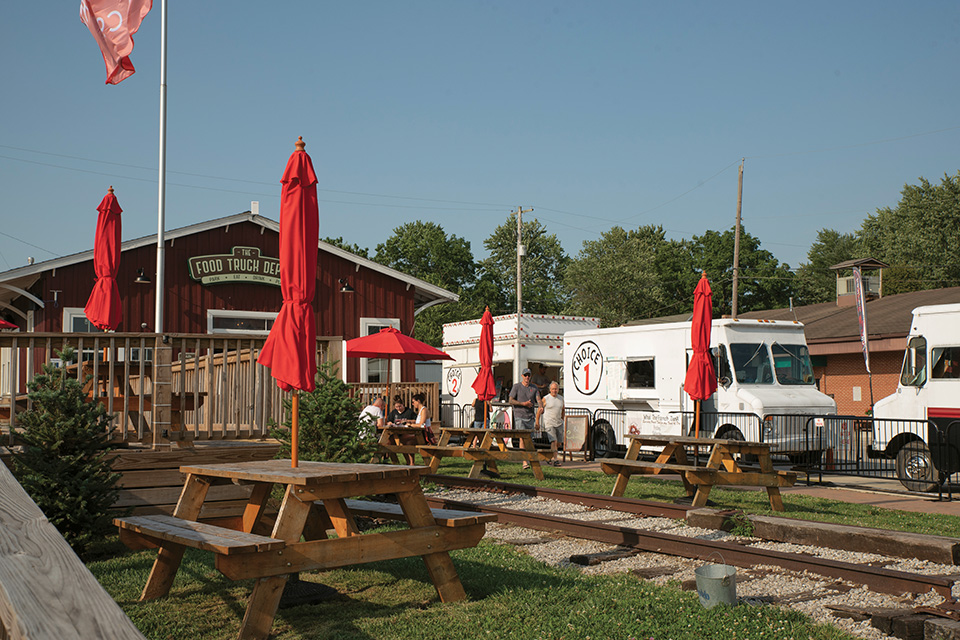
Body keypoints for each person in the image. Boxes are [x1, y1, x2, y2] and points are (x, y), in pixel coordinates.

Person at [509, 368, 541, 469]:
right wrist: (523, 404)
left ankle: (530, 459)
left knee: (529, 439)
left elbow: (538, 399)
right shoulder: (516, 387)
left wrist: (541, 406)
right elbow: (511, 400)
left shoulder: (534, 387)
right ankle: (524, 461)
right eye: (525, 375)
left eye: (529, 375)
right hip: (519, 416)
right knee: (522, 438)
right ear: (522, 376)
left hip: (530, 416)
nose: (527, 377)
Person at [537, 381, 564, 467]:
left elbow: (563, 409)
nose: (554, 391)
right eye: (552, 389)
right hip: (549, 423)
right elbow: (539, 410)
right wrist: (537, 421)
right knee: (553, 441)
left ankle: (549, 457)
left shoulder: (561, 398)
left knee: (559, 443)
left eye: (556, 389)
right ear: (550, 390)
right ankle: (555, 460)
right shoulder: (546, 398)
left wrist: (562, 419)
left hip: (559, 423)